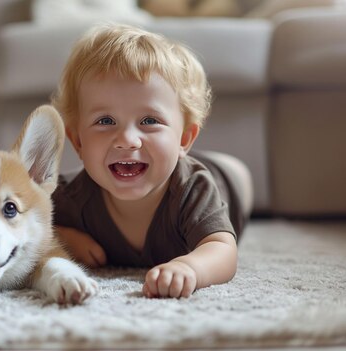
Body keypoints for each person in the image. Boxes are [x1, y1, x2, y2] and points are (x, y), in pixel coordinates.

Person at [51, 23, 253, 299]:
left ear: (184, 138)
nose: (127, 139)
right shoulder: (70, 197)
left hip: (226, 181)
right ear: (78, 142)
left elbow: (222, 249)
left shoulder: (193, 189)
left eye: (149, 121)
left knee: (237, 175)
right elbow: (27, 230)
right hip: (164, 160)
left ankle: (227, 170)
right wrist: (64, 238)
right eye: (105, 121)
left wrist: (189, 267)